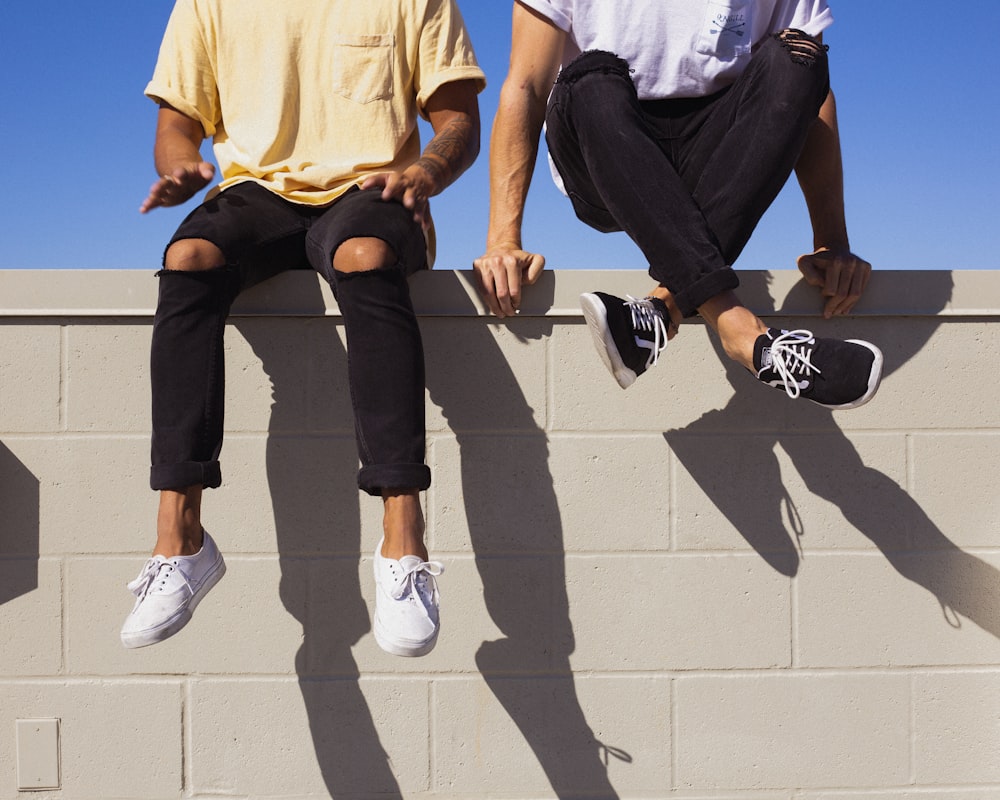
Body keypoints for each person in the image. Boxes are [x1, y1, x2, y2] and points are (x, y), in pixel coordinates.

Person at [121, 0, 485, 657]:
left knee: (364, 258)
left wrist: (424, 173)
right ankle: (182, 541)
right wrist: (182, 165)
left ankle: (403, 547)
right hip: (257, 191)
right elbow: (177, 124)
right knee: (188, 260)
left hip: (372, 190)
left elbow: (458, 118)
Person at [474, 0, 883, 409]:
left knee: (801, 56)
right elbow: (526, 84)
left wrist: (831, 241)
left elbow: (808, 92)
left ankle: (660, 312)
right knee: (591, 74)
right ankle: (742, 331)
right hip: (602, 141)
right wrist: (502, 240)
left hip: (716, 154)